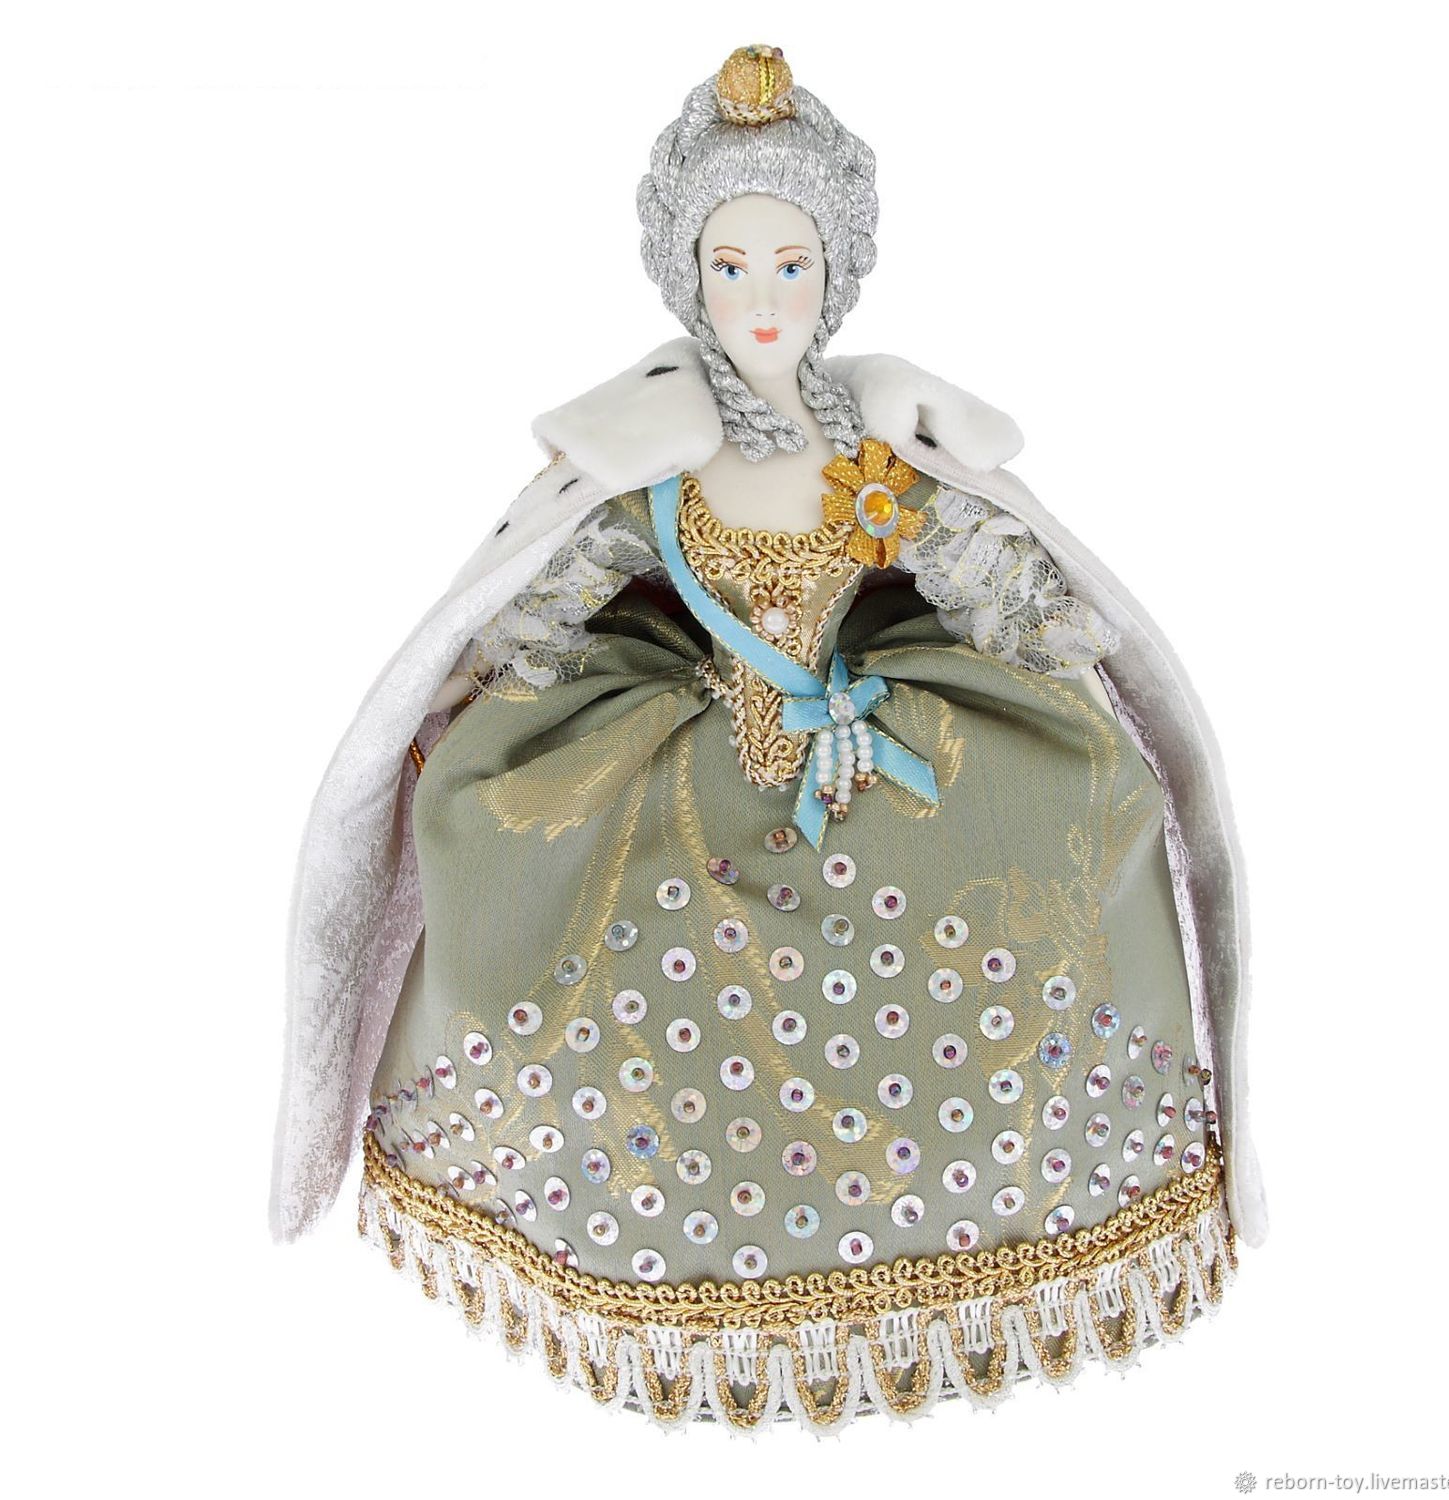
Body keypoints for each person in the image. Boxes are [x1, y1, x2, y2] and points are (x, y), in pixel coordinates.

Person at [271, 43, 1266, 1432]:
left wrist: (1045, 631)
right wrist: (488, 675)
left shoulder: (876, 448)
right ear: (689, 278)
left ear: (833, 277)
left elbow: (974, 553)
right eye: (730, 267)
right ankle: (629, 1218)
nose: (760, 300)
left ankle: (987, 1204)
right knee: (568, 875)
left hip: (869, 734)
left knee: (1041, 815)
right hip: (677, 743)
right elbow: (560, 573)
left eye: (790, 267)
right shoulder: (657, 447)